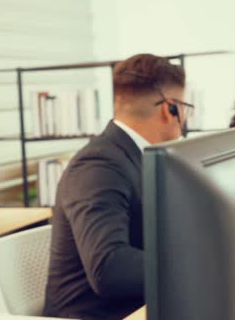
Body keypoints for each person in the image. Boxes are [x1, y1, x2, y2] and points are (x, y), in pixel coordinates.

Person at [44, 54, 192, 319]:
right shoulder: (98, 165)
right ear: (169, 109)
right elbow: (109, 268)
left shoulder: (138, 156)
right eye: (185, 107)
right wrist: (197, 265)